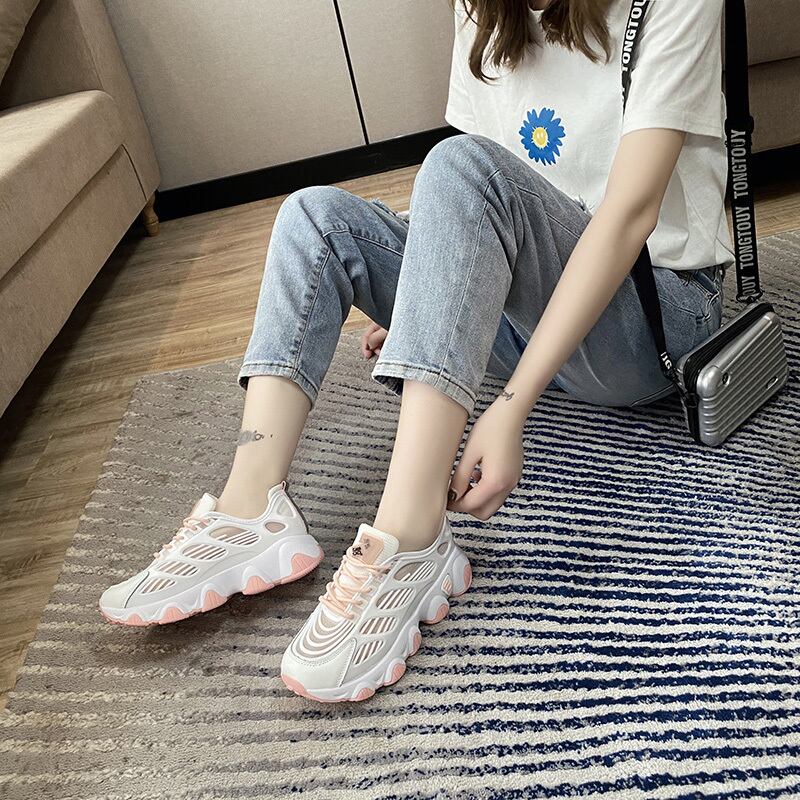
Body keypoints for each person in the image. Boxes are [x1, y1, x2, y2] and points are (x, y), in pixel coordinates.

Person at [100, 0, 732, 702]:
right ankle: (252, 507)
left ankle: (411, 535)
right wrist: (429, 299)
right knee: (314, 216)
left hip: (651, 318)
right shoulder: (484, 7)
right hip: (526, 301)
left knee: (464, 166)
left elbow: (628, 214)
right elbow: (462, 196)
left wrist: (511, 403)